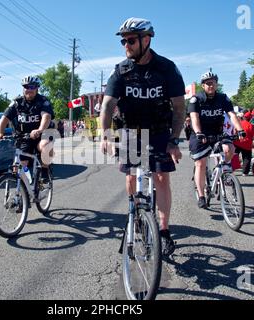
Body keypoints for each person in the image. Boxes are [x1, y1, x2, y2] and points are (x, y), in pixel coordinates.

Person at [100, 17, 186, 257]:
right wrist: (105, 135)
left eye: (130, 40)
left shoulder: (167, 68)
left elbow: (179, 108)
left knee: (161, 177)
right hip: (130, 130)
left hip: (159, 131)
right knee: (131, 176)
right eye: (123, 41)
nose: (125, 45)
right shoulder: (121, 70)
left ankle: (165, 230)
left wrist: (174, 140)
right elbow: (107, 106)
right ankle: (135, 215)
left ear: (146, 40)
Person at [188, 71, 245, 209]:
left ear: (216, 84)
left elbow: (231, 115)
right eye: (207, 83)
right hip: (200, 134)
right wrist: (198, 132)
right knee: (200, 163)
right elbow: (194, 118)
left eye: (212, 82)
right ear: (203, 85)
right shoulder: (196, 99)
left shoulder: (223, 98)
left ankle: (222, 171)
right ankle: (201, 195)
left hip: (218, 133)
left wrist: (240, 129)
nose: (210, 85)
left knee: (230, 149)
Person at [0, 76, 54, 181]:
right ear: (23, 88)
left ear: (37, 88)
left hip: (41, 134)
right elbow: (4, 118)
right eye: (27, 87)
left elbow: (46, 116)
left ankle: (45, 171)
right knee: (18, 167)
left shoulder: (43, 101)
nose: (29, 89)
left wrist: (39, 130)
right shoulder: (17, 103)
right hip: (24, 136)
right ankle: (25, 187)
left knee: (45, 145)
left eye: (32, 87)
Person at [233, 112, 254, 176]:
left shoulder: (239, 124)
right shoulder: (251, 125)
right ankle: (245, 172)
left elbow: (234, 132)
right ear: (250, 118)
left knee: (234, 156)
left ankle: (231, 169)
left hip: (237, 142)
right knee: (246, 158)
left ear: (244, 117)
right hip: (247, 144)